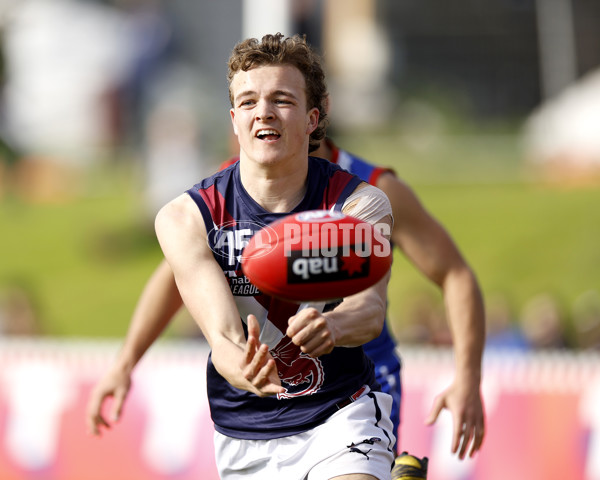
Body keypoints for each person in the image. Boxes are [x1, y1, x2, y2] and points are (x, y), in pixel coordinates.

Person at [87, 33, 485, 477]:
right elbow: (208, 321)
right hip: (245, 432)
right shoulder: (191, 214)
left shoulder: (365, 199)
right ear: (234, 119)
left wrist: (335, 326)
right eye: (250, 101)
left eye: (282, 100)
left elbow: (372, 308)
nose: (265, 112)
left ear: (316, 117)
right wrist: (235, 366)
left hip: (343, 406)